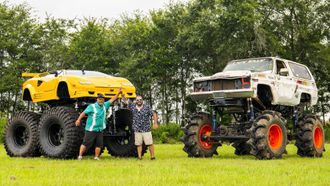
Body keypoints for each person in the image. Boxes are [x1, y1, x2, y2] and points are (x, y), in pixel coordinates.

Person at [75, 89, 122, 160]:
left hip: (100, 129)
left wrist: (118, 93)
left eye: (102, 99)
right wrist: (78, 120)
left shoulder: (105, 105)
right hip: (91, 129)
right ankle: (80, 156)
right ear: (97, 100)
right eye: (99, 99)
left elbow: (113, 99)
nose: (101, 101)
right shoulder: (92, 106)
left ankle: (96, 157)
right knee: (86, 143)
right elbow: (83, 113)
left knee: (99, 144)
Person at [123, 95, 158, 160]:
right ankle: (139, 157)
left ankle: (152, 157)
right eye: (137, 100)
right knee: (138, 144)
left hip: (146, 129)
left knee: (150, 143)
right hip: (137, 129)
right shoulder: (132, 106)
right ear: (135, 101)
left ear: (142, 101)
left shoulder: (147, 107)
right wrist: (122, 94)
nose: (139, 101)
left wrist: (155, 123)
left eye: (140, 100)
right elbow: (125, 100)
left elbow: (154, 114)